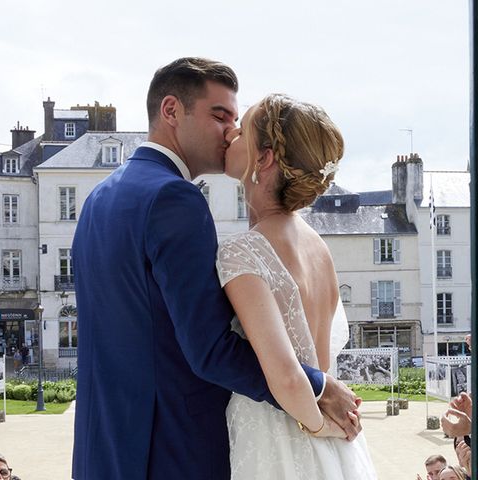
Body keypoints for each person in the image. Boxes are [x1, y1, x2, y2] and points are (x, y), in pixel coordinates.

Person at [71, 57, 360, 480]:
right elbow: (209, 350)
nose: (230, 132)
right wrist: (318, 386)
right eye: (221, 116)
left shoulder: (98, 200)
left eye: (238, 123)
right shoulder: (176, 199)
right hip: (171, 450)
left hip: (106, 447)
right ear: (171, 111)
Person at [217, 93, 375, 478]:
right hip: (333, 447)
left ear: (264, 159)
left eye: (244, 130)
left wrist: (318, 428)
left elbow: (288, 375)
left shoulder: (243, 250)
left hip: (278, 441)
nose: (232, 132)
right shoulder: (318, 246)